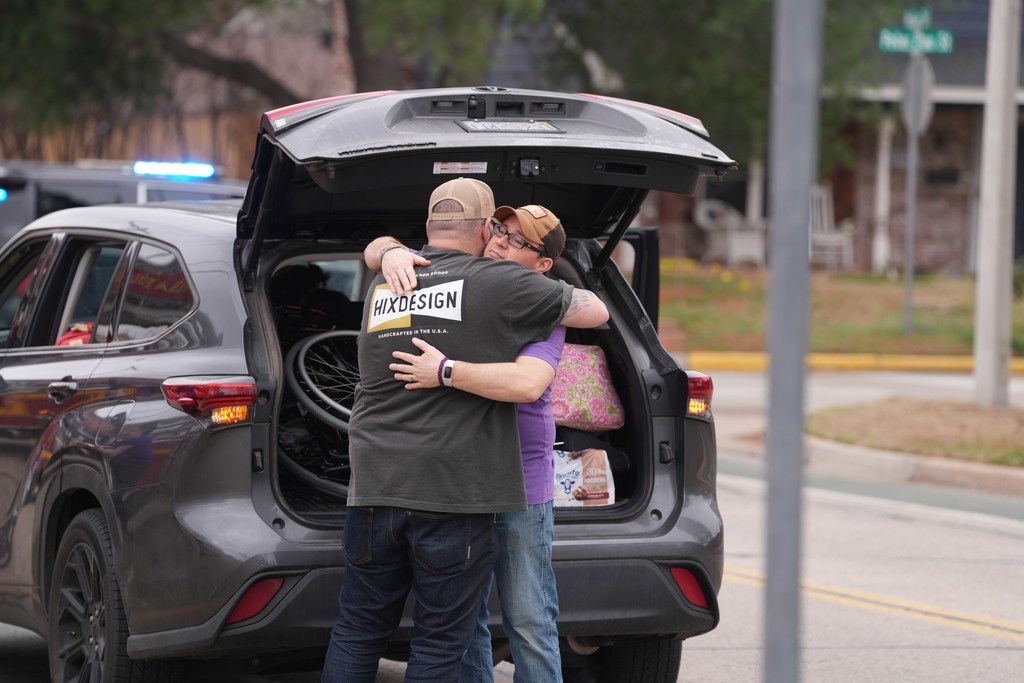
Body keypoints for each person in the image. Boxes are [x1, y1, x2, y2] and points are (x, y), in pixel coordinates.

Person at [322, 179, 608, 683]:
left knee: (523, 621)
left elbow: (530, 379)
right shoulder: (422, 272)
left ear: (544, 265)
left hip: (502, 483)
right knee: (455, 630)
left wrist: (446, 370)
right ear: (481, 229)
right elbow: (383, 249)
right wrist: (387, 249)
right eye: (499, 229)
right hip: (458, 490)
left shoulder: (518, 297)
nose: (501, 241)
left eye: (519, 240)